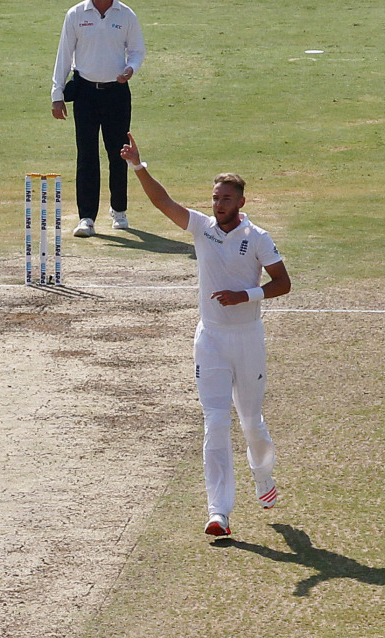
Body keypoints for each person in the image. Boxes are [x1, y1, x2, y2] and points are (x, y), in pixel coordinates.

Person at [120, 133, 292, 537]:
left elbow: (283, 283)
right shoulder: (203, 228)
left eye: (226, 199)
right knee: (215, 422)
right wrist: (137, 166)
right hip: (210, 339)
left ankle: (263, 477)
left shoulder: (258, 238)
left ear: (241, 203)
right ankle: (219, 511)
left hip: (247, 339)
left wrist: (244, 296)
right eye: (215, 198)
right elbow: (163, 203)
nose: (218, 205)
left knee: (251, 422)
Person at [51, 0, 146, 238]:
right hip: (85, 93)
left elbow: (138, 51)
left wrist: (131, 68)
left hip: (116, 93)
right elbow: (64, 56)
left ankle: (119, 210)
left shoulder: (126, 15)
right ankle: (87, 218)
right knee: (87, 155)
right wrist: (57, 95)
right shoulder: (76, 14)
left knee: (120, 153)